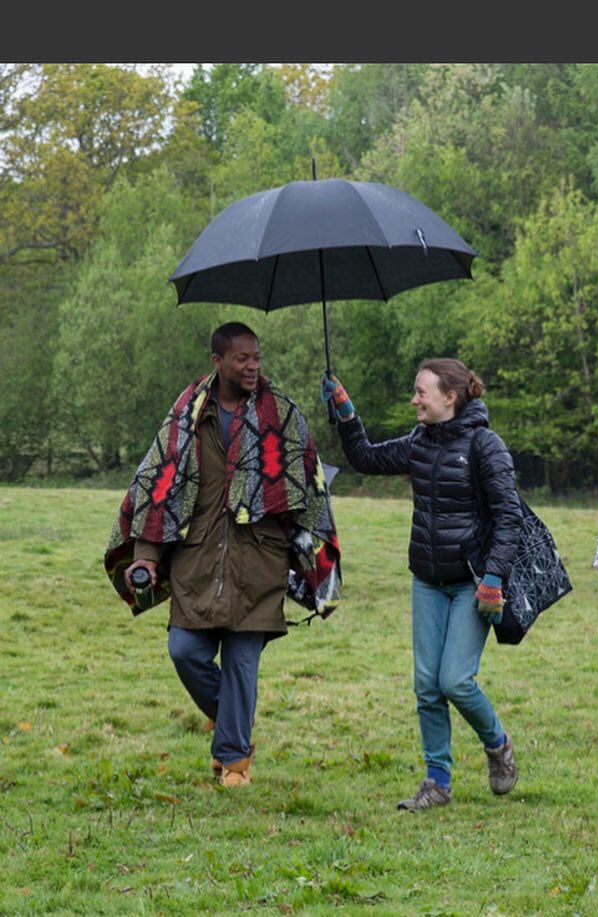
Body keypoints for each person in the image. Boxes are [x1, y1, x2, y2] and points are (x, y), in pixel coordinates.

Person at [105, 322, 341, 787]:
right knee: (184, 651)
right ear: (218, 362)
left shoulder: (285, 417)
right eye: (242, 359)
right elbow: (159, 490)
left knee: (240, 664)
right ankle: (233, 725)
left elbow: (309, 491)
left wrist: (309, 562)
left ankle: (233, 761)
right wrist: (148, 556)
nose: (253, 367)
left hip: (260, 564)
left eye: (257, 358)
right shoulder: (185, 418)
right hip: (197, 561)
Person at [322, 358, 523, 811]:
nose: (414, 399)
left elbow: (509, 516)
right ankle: (437, 782)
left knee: (455, 680)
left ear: (449, 397)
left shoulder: (485, 445)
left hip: (474, 583)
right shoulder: (419, 442)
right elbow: (365, 458)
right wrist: (346, 414)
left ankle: (497, 744)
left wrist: (494, 577)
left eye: (421, 392)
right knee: (427, 686)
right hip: (427, 581)